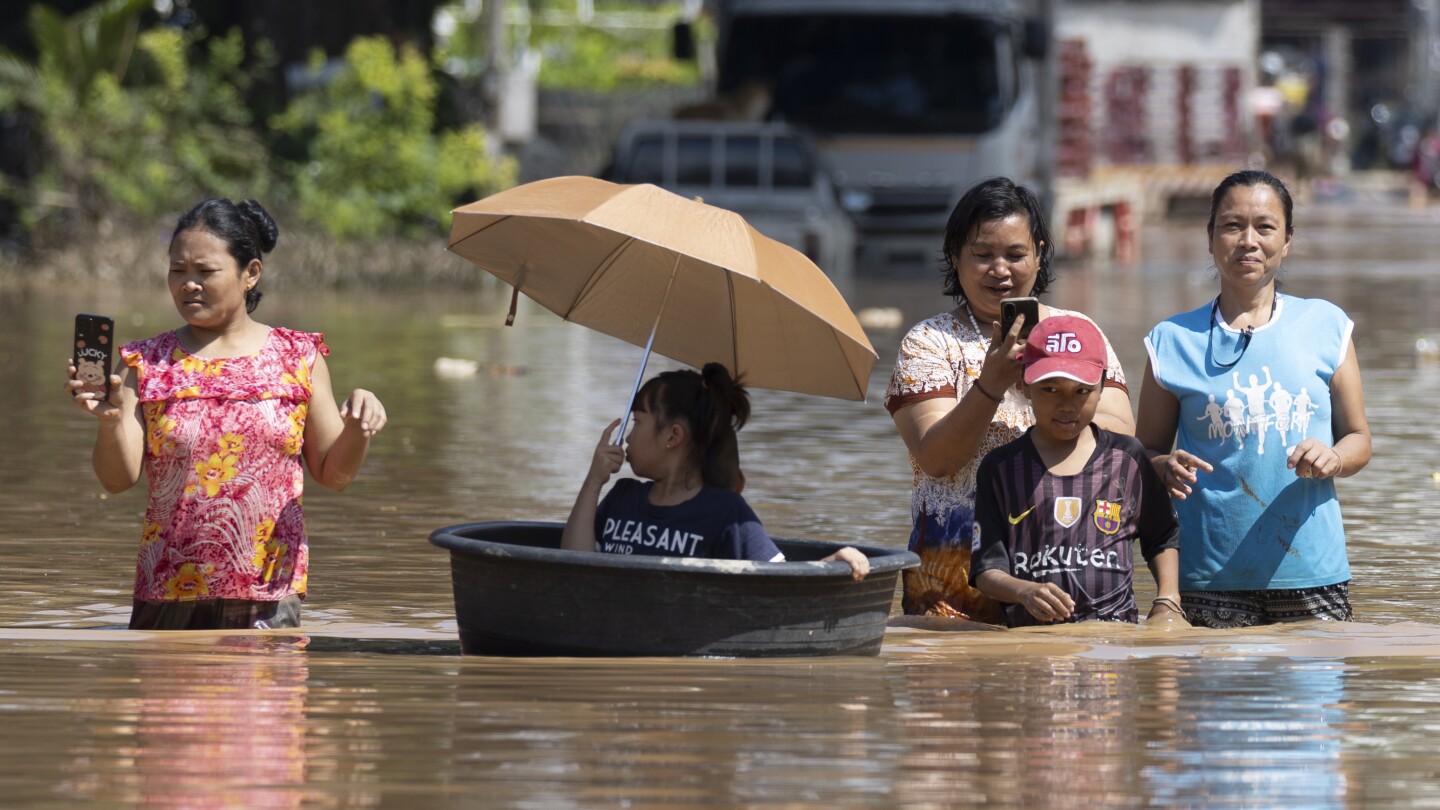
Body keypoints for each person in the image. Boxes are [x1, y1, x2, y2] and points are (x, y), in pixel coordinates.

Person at [65, 198, 387, 630]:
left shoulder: (298, 358)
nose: (188, 284)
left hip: (268, 594)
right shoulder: (146, 363)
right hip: (168, 591)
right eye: (177, 271)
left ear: (250, 273)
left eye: (205, 271)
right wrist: (109, 421)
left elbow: (334, 475)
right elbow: (117, 480)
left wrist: (358, 429)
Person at [885, 177, 1134, 621]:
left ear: (1039, 253)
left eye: (1015, 255)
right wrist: (992, 384)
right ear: (955, 256)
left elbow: (1120, 441)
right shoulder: (929, 343)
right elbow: (937, 458)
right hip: (951, 570)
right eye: (983, 255)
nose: (1000, 269)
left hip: (1060, 564)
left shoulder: (1078, 334)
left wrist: (1051, 396)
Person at [1135, 169, 1371, 628]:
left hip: (1312, 572)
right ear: (1209, 238)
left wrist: (1333, 458)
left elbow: (1359, 438)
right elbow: (1142, 451)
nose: (1248, 240)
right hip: (1208, 578)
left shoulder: (1327, 326)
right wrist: (1161, 467)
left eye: (1265, 227)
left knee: (1314, 696)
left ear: (1287, 240)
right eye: (1231, 225)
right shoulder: (1171, 341)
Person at [561, 363, 869, 579]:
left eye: (637, 422)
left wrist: (834, 561)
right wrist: (593, 482)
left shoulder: (726, 512)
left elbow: (783, 580)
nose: (627, 436)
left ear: (673, 436)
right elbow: (573, 567)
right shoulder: (622, 497)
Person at [970, 316, 1183, 627]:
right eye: (1051, 389)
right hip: (1034, 644)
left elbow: (1162, 536)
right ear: (1024, 384)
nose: (1067, 405)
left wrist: (1168, 599)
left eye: (1082, 391)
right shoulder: (1000, 469)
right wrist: (1024, 591)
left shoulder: (1128, 459)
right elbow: (986, 570)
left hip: (1114, 639)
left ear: (1102, 387)